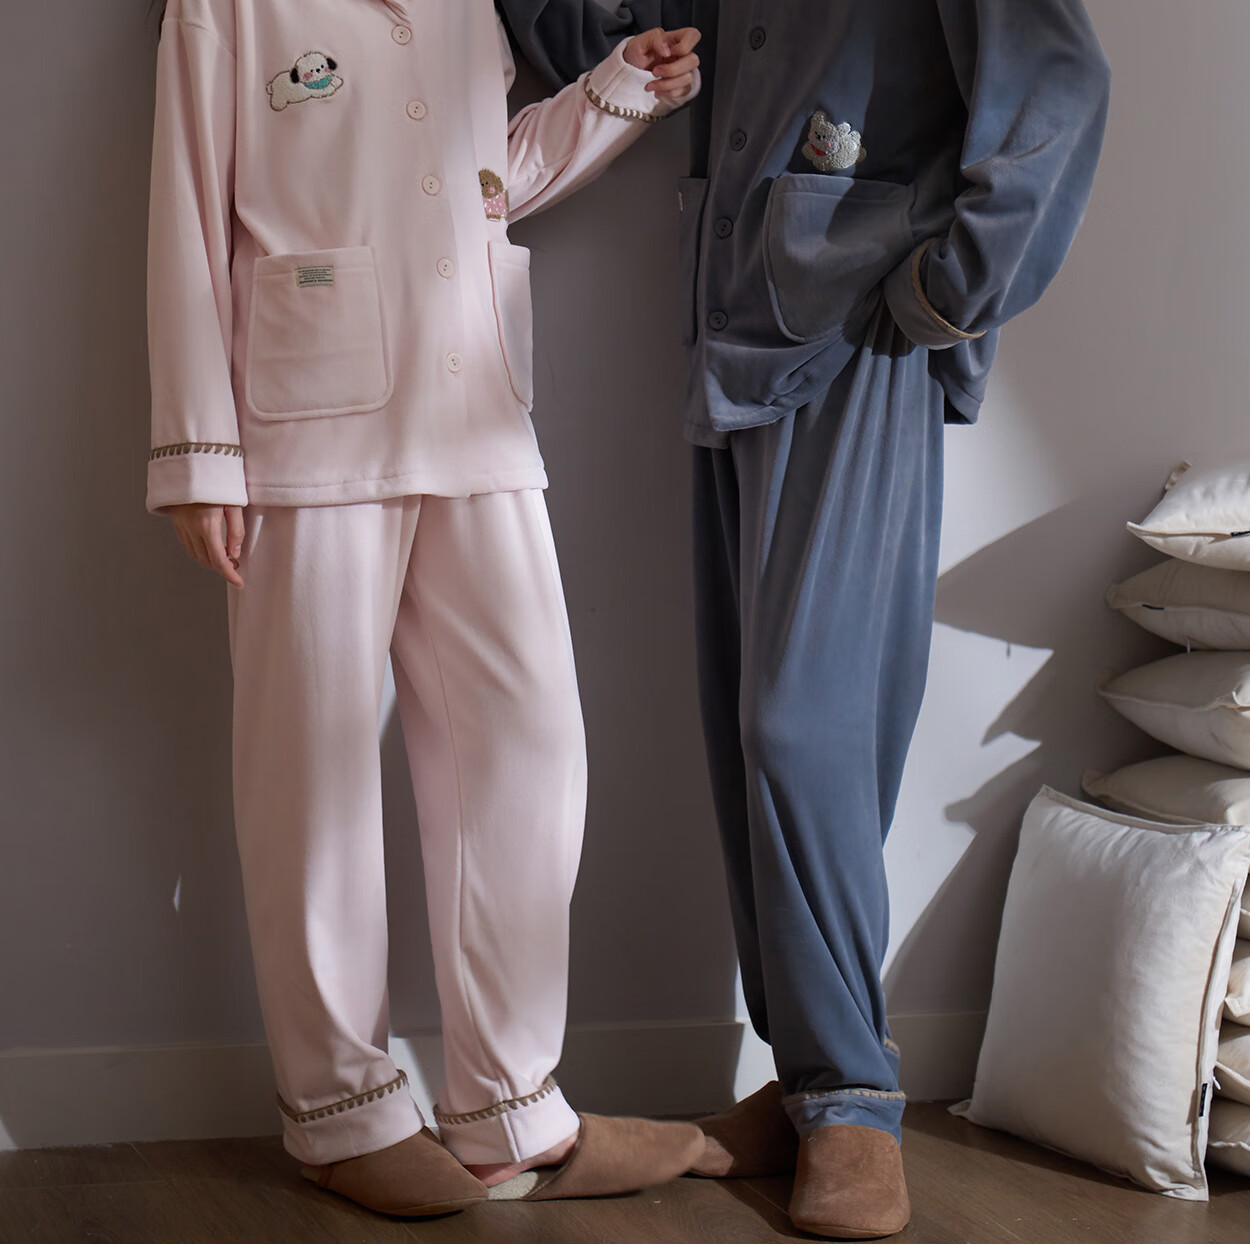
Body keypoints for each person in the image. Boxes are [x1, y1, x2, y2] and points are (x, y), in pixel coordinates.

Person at [495, 0, 1111, 1237]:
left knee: (802, 722)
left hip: (861, 333)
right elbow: (594, 35)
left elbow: (1059, 90)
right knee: (744, 725)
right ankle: (803, 1081)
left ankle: (852, 1093)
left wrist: (947, 290)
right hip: (733, 320)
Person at [147, 0, 706, 1219]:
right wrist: (196, 449)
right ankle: (339, 1111)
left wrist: (612, 92)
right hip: (305, 422)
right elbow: (186, 205)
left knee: (531, 749)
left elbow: (483, 174)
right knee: (311, 776)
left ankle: (507, 1106)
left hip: (476, 410)